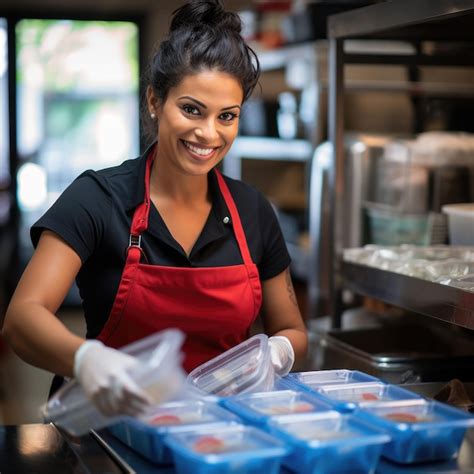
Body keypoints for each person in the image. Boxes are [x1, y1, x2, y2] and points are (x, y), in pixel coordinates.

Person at [3, 0, 308, 417]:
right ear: (153, 101)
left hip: (222, 434)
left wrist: (278, 352)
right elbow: (21, 320)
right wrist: (86, 360)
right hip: (113, 429)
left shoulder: (252, 210)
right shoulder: (97, 198)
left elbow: (291, 328)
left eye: (227, 116)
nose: (208, 133)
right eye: (191, 109)